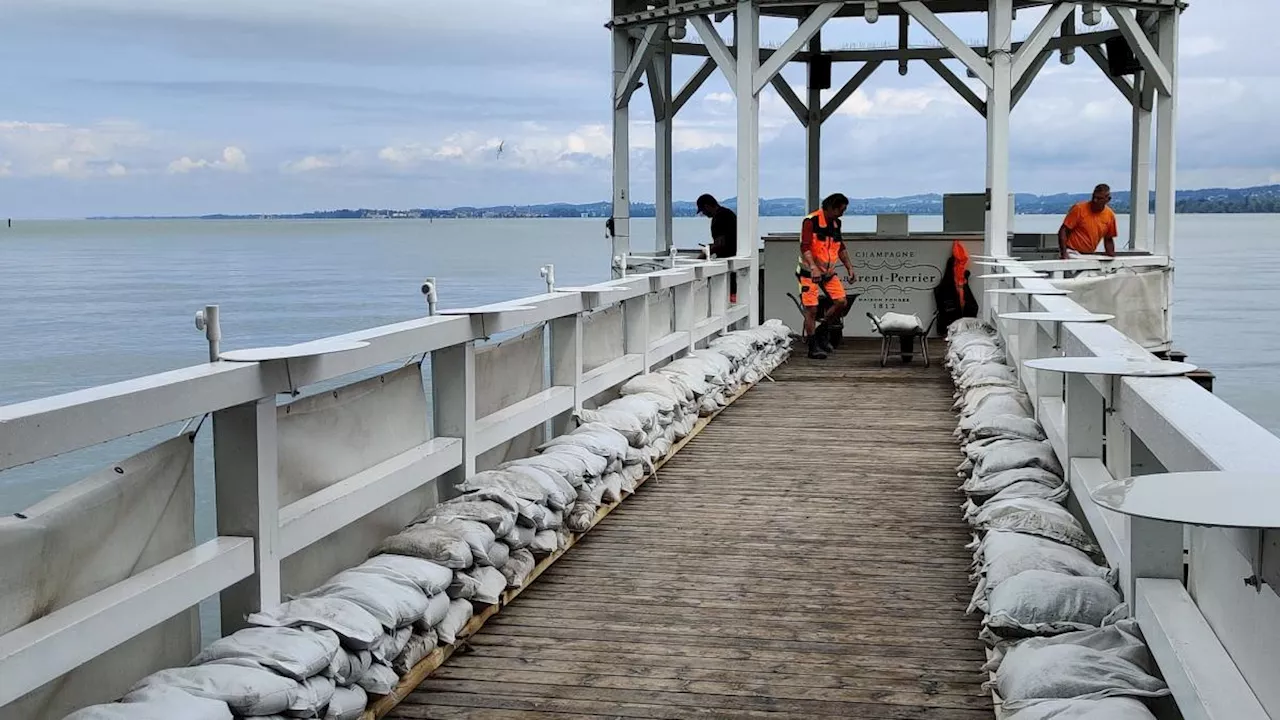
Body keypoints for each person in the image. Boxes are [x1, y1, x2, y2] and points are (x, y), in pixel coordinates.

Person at [797, 193, 856, 360]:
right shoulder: (811, 221)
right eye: (841, 210)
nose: (843, 213)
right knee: (812, 309)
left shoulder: (836, 223)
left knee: (841, 302)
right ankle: (813, 345)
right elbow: (805, 246)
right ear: (831, 207)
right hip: (809, 272)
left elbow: (840, 247)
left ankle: (823, 331)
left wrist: (849, 268)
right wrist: (813, 267)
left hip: (828, 272)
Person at [1058, 184, 1119, 260]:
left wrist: (1112, 258)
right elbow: (1063, 231)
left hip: (1089, 254)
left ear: (1108, 199)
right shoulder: (1079, 209)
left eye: (1099, 198)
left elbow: (1108, 239)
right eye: (1094, 197)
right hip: (1072, 251)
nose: (1095, 200)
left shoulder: (1110, 215)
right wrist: (1064, 253)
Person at [696, 194, 738, 303]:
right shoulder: (728, 213)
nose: (703, 214)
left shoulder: (718, 218)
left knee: (724, 294)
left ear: (707, 206)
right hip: (736, 258)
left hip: (726, 260)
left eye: (702, 211)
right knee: (733, 293)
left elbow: (720, 244)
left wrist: (705, 253)